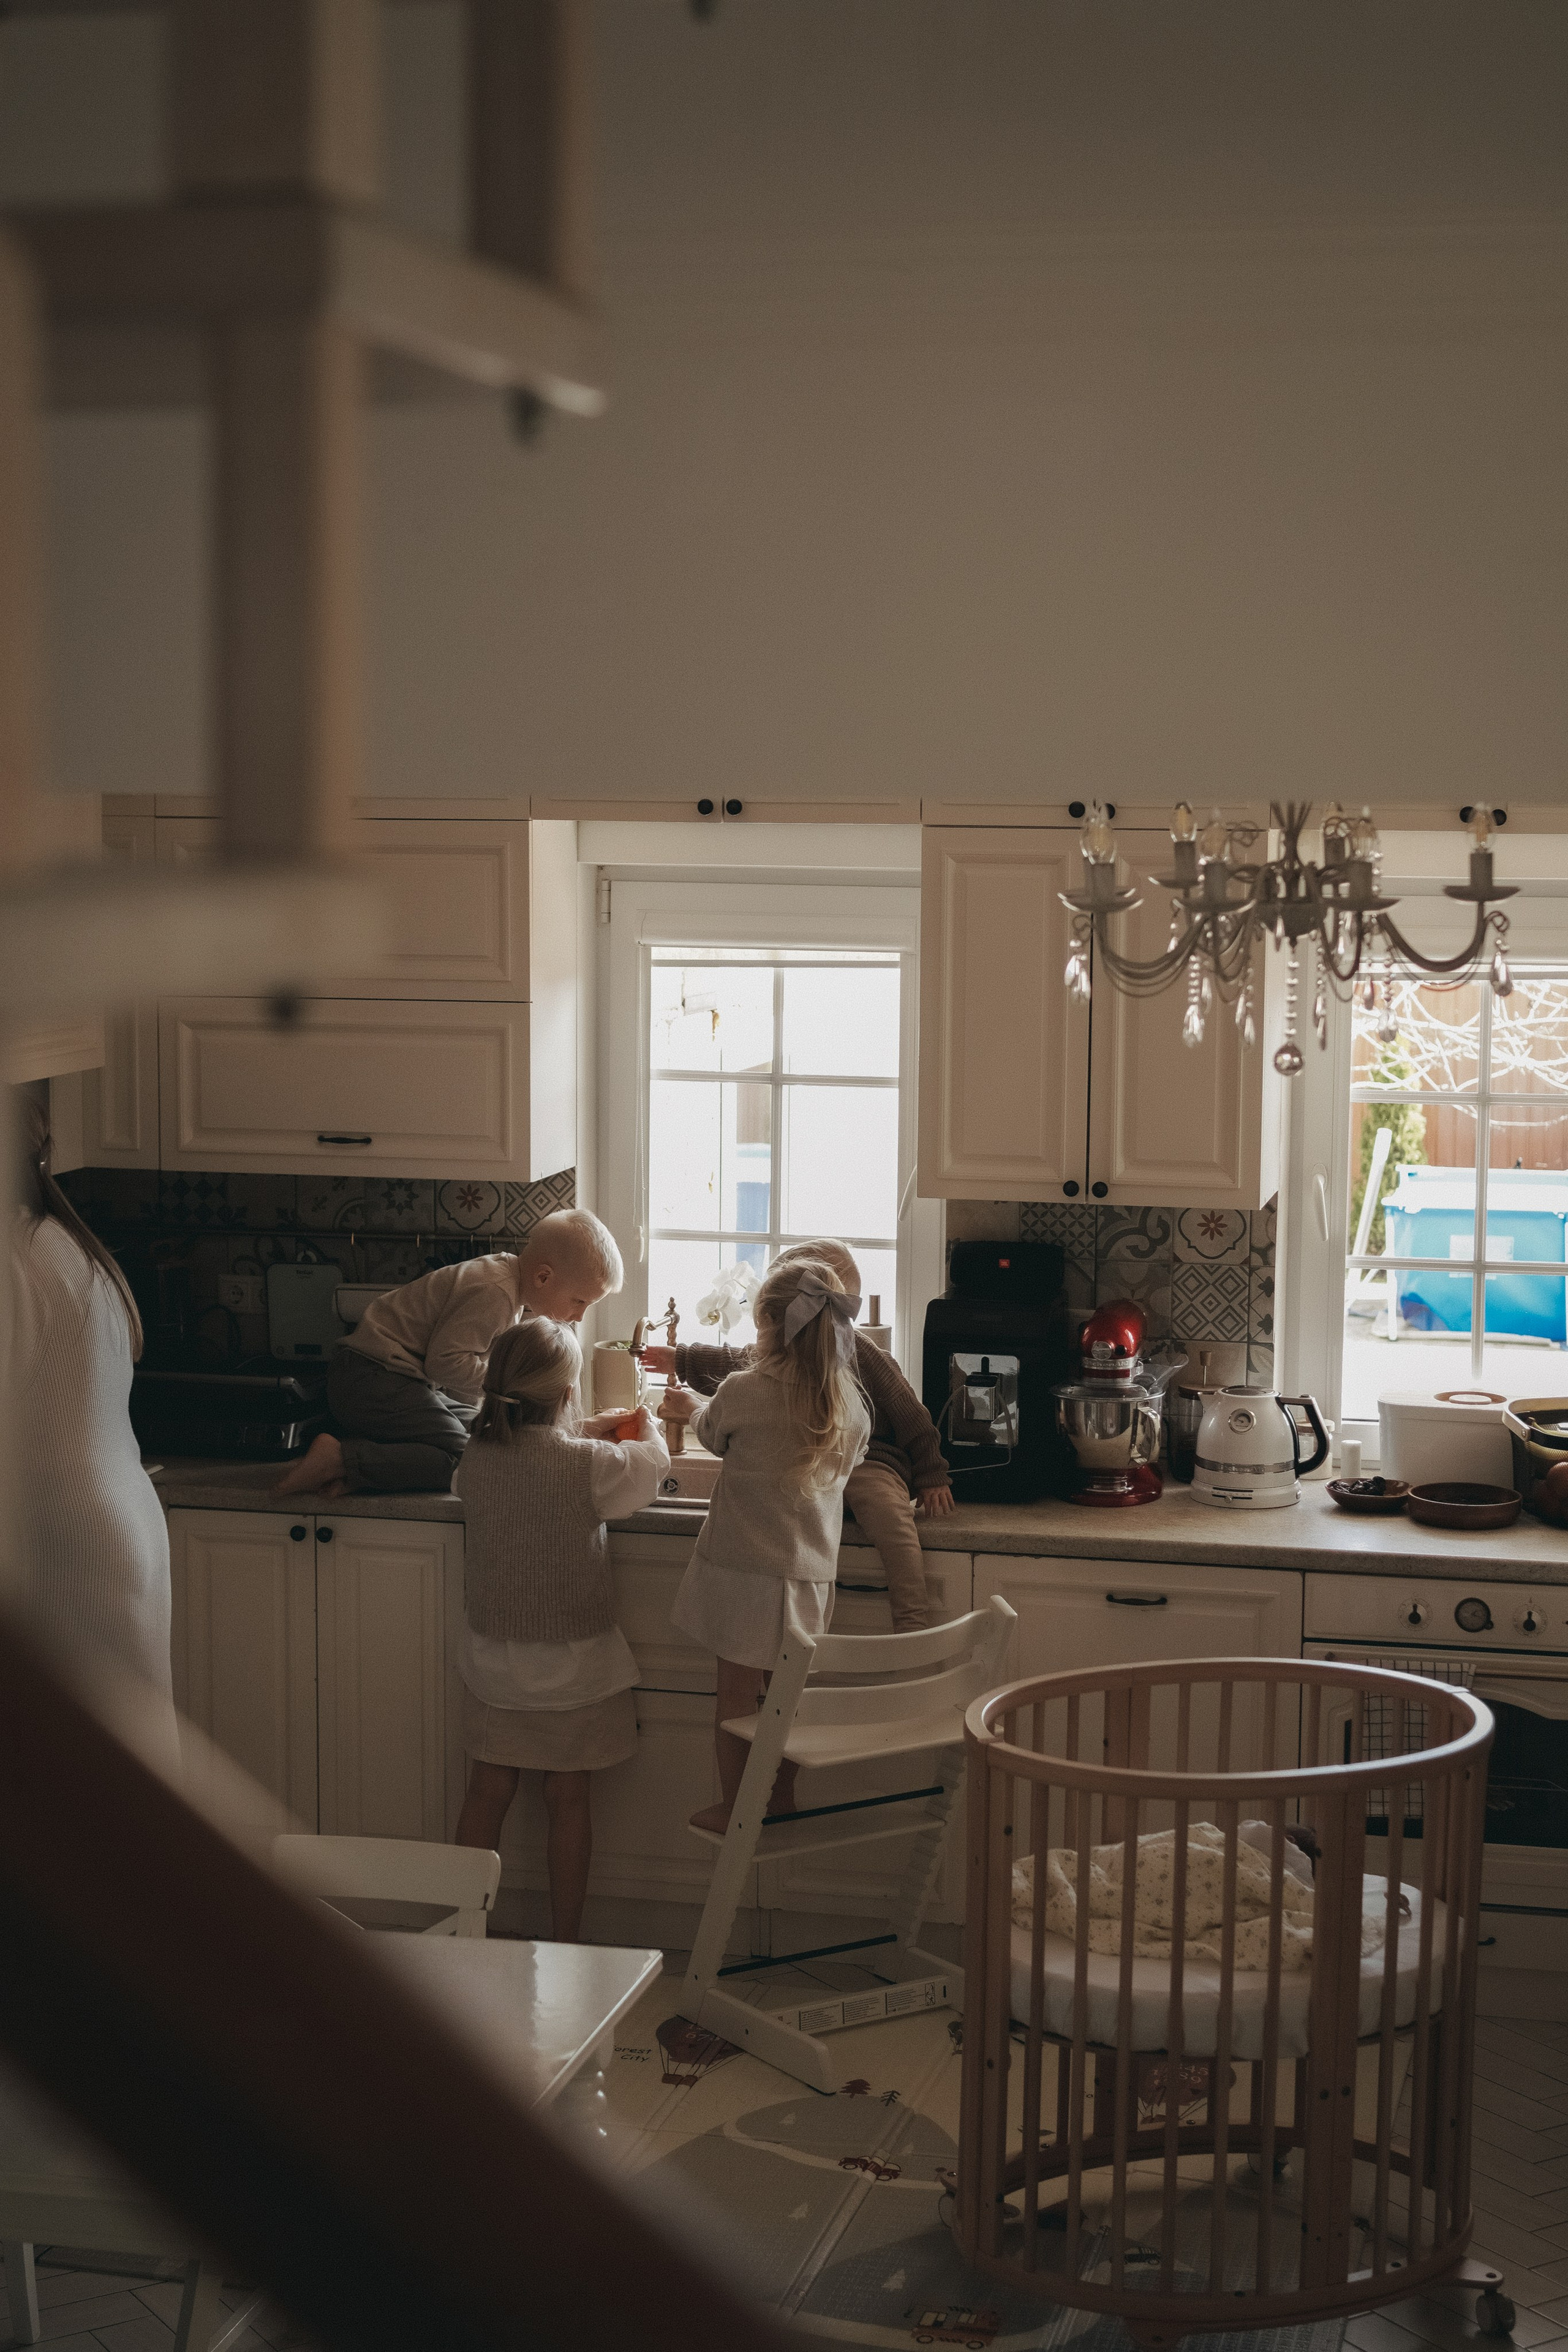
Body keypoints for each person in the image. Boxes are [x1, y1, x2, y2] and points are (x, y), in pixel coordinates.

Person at [451, 1317, 667, 1940]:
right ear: (568, 1394)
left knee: (486, 1792)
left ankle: (467, 1934)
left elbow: (513, 1470)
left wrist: (582, 1435)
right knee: (567, 1801)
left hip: (494, 1661)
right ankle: (565, 1938)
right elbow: (648, 1472)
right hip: (574, 1666)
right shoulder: (590, 1466)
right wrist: (645, 1426)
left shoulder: (477, 1458)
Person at [646, 1238, 954, 1633]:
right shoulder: (774, 1357)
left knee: (891, 1523)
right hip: (807, 1458)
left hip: (868, 1459)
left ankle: (913, 1622)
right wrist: (683, 1359)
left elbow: (911, 1413)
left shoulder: (861, 1349)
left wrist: (932, 1474)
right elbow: (732, 1363)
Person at [669, 1255, 870, 1834]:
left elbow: (713, 1435)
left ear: (767, 1329)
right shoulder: (847, 1407)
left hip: (742, 1573)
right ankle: (780, 1800)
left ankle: (738, 1807)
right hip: (807, 1579)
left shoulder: (741, 1390)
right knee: (786, 1701)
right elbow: (850, 1464)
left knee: (735, 1700)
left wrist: (692, 1408)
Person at [9, 1098, 176, 1746]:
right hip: (123, 1520)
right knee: (129, 1769)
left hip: (64, 1539)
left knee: (81, 1785)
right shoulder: (59, 1238)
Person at [277, 1207, 622, 1499]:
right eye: (580, 1301)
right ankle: (339, 1458)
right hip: (370, 1380)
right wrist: (509, 1387)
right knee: (469, 1461)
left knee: (488, 1438)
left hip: (383, 1380)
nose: (579, 1316)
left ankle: (358, 1468)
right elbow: (445, 1364)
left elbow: (454, 1370)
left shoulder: (506, 1284)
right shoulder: (496, 1293)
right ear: (544, 1278)